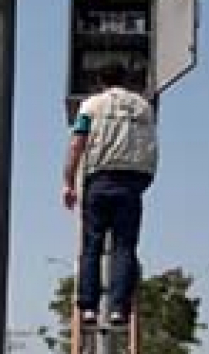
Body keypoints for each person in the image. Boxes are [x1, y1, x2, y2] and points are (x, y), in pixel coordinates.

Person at [63, 62, 158, 326]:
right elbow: (150, 144)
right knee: (124, 246)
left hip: (99, 179)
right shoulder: (143, 107)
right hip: (131, 183)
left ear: (99, 81)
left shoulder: (91, 106)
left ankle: (89, 307)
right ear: (126, 80)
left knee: (92, 245)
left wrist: (69, 181)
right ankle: (119, 307)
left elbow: (77, 143)